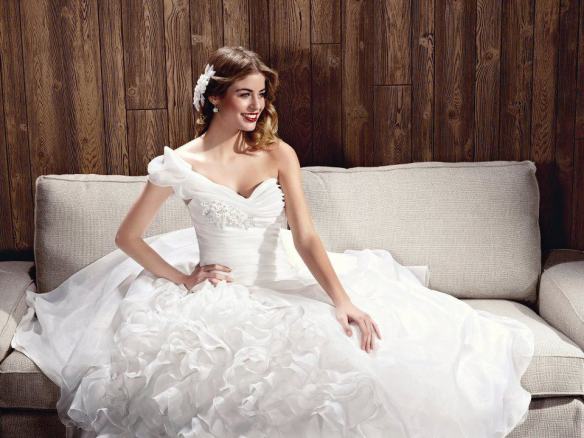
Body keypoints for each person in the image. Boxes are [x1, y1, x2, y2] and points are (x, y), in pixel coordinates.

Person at [12, 46, 535, 438]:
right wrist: (184, 278)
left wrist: (342, 299)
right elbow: (127, 237)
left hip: (284, 279)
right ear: (214, 97)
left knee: (360, 364)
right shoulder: (180, 164)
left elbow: (304, 235)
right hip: (219, 292)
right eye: (245, 93)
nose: (257, 105)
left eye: (262, 94)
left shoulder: (279, 153)